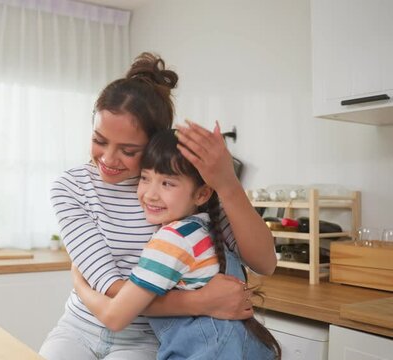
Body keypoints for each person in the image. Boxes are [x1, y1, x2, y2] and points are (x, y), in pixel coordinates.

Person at [39, 52, 276, 360]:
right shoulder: (70, 187)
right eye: (99, 140)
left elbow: (264, 263)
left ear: (154, 145)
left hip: (151, 341)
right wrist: (201, 302)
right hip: (79, 327)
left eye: (128, 150)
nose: (109, 159)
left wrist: (227, 183)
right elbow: (111, 288)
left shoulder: (183, 194)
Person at [71, 129, 281, 359]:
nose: (150, 194)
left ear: (202, 194)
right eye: (145, 177)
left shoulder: (172, 240)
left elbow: (115, 317)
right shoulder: (206, 228)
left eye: (167, 183)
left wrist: (80, 283)